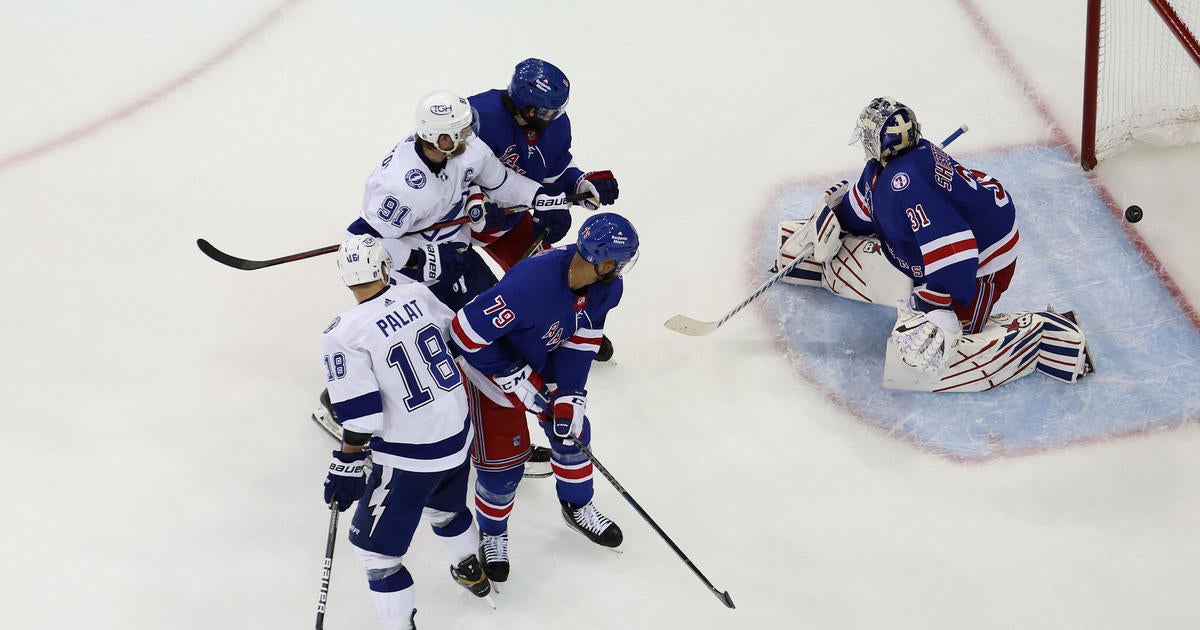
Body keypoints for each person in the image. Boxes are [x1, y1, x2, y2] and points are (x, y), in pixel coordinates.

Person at [775, 96, 1093, 392]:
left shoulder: (907, 185)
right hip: (946, 240)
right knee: (883, 261)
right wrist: (832, 223)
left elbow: (956, 250)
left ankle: (1043, 334)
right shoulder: (883, 170)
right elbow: (863, 207)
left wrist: (933, 303)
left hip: (982, 257)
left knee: (936, 345)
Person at [449, 212, 639, 582]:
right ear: (603, 259)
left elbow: (582, 340)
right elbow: (464, 334)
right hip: (485, 369)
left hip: (539, 355)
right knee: (503, 465)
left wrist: (570, 392)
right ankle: (492, 531)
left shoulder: (607, 288)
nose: (622, 269)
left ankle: (577, 505)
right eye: (620, 261)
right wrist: (509, 373)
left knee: (572, 432)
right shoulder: (531, 285)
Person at [320, 234, 492, 630]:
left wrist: (346, 463)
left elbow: (362, 419)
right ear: (384, 269)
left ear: (347, 279)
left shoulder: (342, 333)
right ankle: (469, 567)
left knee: (376, 556)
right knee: (447, 509)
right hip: (456, 434)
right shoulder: (415, 292)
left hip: (410, 455)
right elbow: (454, 336)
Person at [468, 58, 621, 361]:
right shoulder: (479, 118)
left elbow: (555, 171)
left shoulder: (554, 126)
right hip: (456, 229)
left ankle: (564, 330)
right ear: (526, 106)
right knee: (478, 299)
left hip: (509, 223)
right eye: (548, 111)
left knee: (553, 275)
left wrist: (581, 183)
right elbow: (447, 177)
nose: (555, 118)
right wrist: (478, 204)